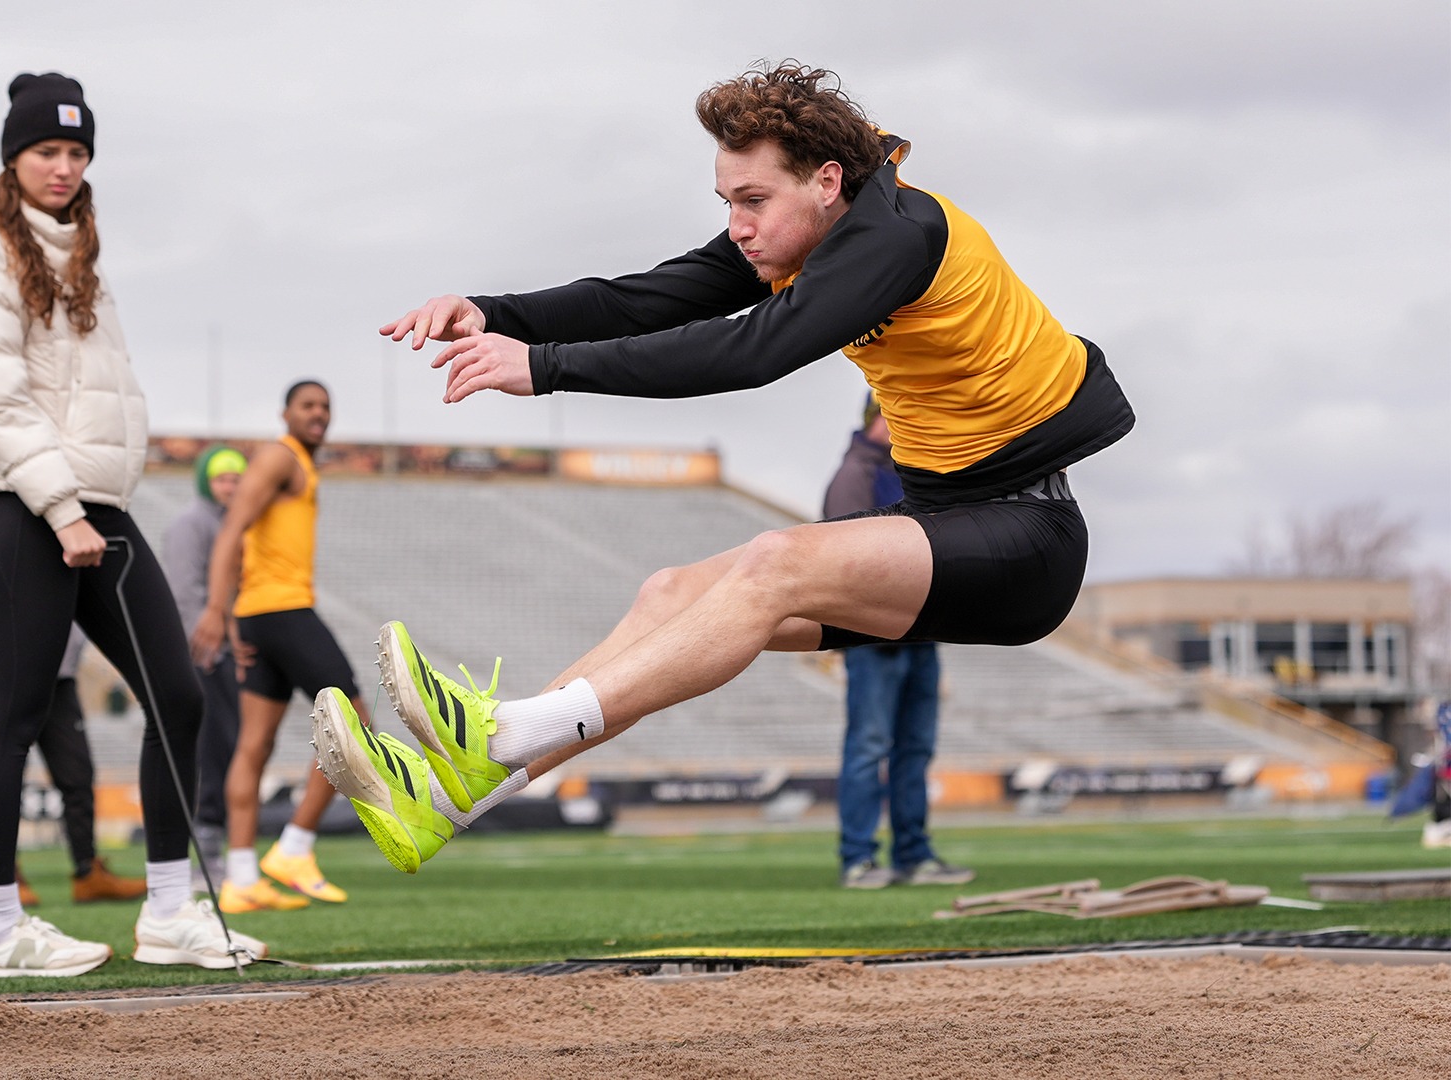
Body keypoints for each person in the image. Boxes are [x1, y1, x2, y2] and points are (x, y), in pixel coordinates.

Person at [310, 63, 1135, 875]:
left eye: (753, 201)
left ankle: (499, 737)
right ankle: (444, 804)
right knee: (668, 593)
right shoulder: (813, 233)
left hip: (1026, 537)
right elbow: (654, 297)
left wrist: (547, 366)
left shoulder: (899, 235)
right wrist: (493, 313)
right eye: (728, 203)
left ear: (825, 181)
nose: (738, 226)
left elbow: (757, 348)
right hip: (941, 525)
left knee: (775, 562)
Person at [0, 71, 261, 975]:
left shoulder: (84, 257)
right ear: (15, 156)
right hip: (21, 506)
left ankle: (167, 913)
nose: (65, 168)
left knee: (178, 694)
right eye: (48, 150)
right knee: (15, 710)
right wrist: (62, 509)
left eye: (78, 153)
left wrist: (92, 503)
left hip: (98, 507)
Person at [190, 383, 357, 911]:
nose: (319, 414)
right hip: (281, 610)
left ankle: (240, 877)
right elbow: (230, 530)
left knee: (254, 745)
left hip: (260, 616)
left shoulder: (300, 465)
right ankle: (295, 846)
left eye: (326, 406)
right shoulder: (279, 457)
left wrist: (236, 615)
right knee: (352, 717)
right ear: (285, 413)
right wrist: (217, 610)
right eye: (308, 405)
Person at [823, 394, 970, 890]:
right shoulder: (855, 475)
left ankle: (914, 854)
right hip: (873, 642)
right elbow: (842, 561)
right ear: (881, 416)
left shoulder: (910, 468)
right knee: (868, 747)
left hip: (920, 636)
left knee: (915, 749)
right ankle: (858, 859)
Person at [157, 445, 251, 890]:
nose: (230, 487)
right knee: (209, 754)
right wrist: (209, 645)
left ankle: (221, 851)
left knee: (229, 749)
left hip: (230, 655)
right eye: (221, 479)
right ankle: (202, 859)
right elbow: (183, 594)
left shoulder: (237, 524)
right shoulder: (189, 525)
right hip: (204, 656)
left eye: (236, 479)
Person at [14, 625, 150, 906]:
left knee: (77, 774)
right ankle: (3, 876)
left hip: (60, 674)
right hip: (8, 669)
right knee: (6, 772)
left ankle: (88, 873)